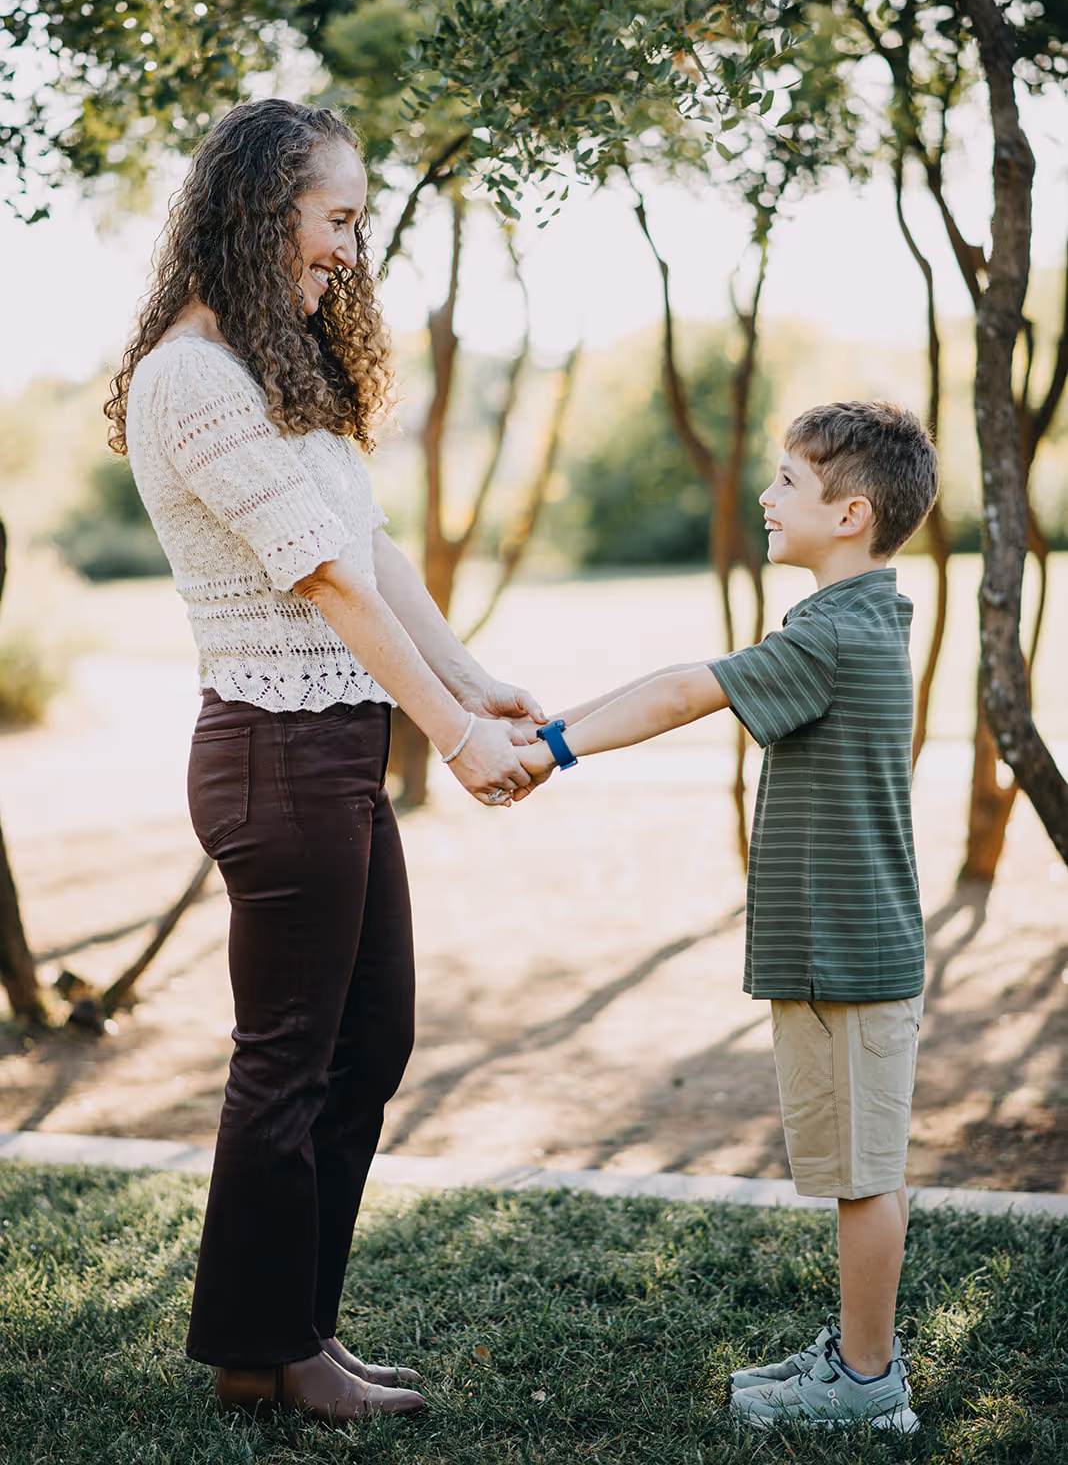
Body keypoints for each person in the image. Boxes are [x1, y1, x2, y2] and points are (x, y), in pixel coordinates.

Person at [110, 99, 542, 1423]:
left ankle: (292, 1333)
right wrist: (457, 744)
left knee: (372, 1038)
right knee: (293, 1058)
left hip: (331, 750)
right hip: (276, 754)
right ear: (258, 212)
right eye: (337, 218)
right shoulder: (192, 377)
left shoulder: (267, 367)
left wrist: (472, 682)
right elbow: (322, 584)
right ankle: (266, 1352)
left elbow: (372, 554)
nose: (352, 249)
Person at [518, 400, 939, 1433]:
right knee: (847, 1171)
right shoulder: (852, 620)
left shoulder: (836, 635)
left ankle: (870, 1384)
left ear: (849, 515)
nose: (766, 492)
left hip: (857, 957)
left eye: (788, 480)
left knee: (866, 1176)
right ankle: (853, 1354)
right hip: (828, 951)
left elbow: (678, 694)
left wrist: (555, 744)